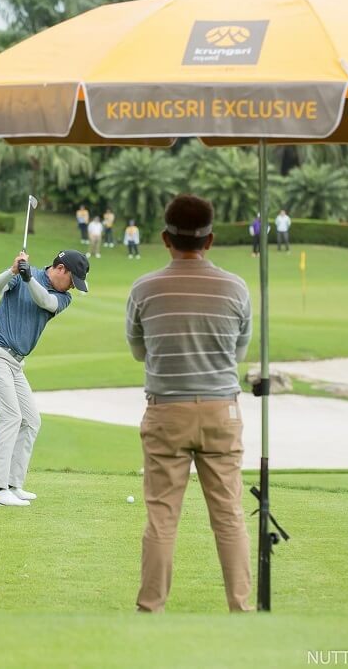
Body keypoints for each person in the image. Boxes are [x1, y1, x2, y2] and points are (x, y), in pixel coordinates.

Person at [127, 194, 253, 613]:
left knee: (162, 516)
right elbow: (237, 354)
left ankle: (151, 610)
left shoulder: (144, 288)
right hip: (221, 410)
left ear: (166, 238)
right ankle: (241, 609)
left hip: (166, 411)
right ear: (210, 239)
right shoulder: (235, 288)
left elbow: (139, 352)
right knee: (230, 514)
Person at [0, 249, 89, 506]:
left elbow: (45, 302)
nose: (72, 286)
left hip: (14, 363)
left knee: (31, 420)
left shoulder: (62, 297)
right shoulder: (24, 274)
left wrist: (28, 279)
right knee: (10, 416)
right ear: (61, 269)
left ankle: (13, 485)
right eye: (72, 280)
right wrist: (12, 271)